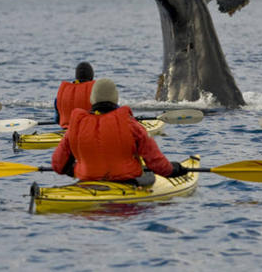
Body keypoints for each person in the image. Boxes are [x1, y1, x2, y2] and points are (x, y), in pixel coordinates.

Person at [51, 78, 188, 185]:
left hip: (87, 182)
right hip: (125, 183)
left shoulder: (76, 126)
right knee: (149, 175)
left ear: (92, 100)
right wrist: (174, 169)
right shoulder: (131, 125)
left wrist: (73, 170)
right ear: (115, 99)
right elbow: (157, 163)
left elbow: (58, 165)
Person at [53, 61, 96, 128]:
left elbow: (57, 120)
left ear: (76, 76)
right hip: (88, 130)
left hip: (66, 130)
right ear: (91, 76)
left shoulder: (63, 92)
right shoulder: (97, 92)